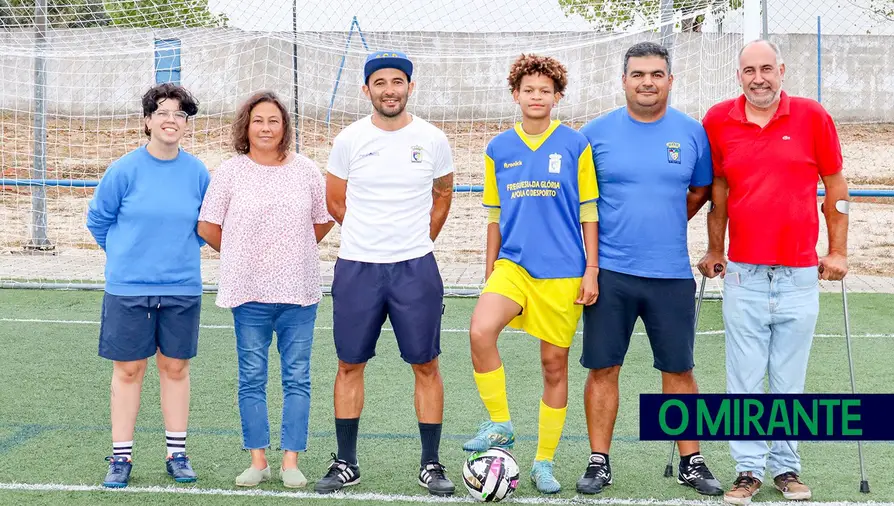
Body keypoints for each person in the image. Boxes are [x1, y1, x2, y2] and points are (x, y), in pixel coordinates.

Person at [699, 39, 849, 505]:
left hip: (800, 272)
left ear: (782, 70)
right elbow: (719, 189)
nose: (758, 78)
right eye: (749, 70)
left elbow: (835, 185)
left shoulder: (812, 116)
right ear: (739, 75)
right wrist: (713, 248)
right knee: (743, 377)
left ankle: (786, 468)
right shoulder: (718, 120)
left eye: (767, 69)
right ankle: (747, 469)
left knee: (788, 378)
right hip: (744, 272)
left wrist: (838, 251)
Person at [576, 41, 723, 496]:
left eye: (656, 74)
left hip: (671, 274)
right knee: (604, 368)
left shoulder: (693, 133)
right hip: (611, 272)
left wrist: (666, 220)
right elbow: (581, 203)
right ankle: (599, 461)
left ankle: (690, 461)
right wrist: (590, 266)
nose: (647, 82)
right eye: (638, 74)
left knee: (679, 370)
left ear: (670, 81)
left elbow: (701, 190)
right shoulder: (594, 134)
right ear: (624, 81)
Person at [314, 50, 455, 497]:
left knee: (426, 364)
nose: (389, 90)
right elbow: (335, 201)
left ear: (410, 87)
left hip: (416, 267)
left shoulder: (432, 138)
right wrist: (369, 237)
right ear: (366, 90)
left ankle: (431, 464)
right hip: (358, 266)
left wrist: (416, 239)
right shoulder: (349, 139)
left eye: (398, 82)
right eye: (380, 83)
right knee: (349, 362)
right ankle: (346, 463)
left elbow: (443, 194)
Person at [463, 53, 599, 494]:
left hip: (562, 272)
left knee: (553, 366)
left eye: (545, 90)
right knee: (480, 330)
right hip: (513, 265)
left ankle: (543, 461)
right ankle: (500, 423)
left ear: (557, 97)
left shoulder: (575, 144)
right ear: (516, 94)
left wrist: (591, 269)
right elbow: (494, 217)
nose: (536, 96)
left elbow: (588, 211)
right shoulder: (498, 148)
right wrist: (490, 271)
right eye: (528, 89)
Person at [197, 91, 335, 489]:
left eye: (273, 120)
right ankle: (258, 460)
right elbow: (208, 226)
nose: (266, 128)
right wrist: (243, 253)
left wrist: (290, 249)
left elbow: (323, 220)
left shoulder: (306, 170)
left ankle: (291, 461)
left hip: (298, 292)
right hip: (249, 293)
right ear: (246, 126)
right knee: (252, 377)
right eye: (258, 120)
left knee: (297, 377)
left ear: (285, 127)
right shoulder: (231, 172)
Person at [86, 83, 208, 488]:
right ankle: (121, 457)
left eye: (180, 114)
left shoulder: (197, 172)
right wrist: (125, 256)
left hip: (181, 287)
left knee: (175, 368)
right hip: (128, 289)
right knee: (129, 369)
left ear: (186, 125)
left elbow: (206, 227)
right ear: (147, 121)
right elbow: (98, 221)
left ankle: (177, 454)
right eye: (163, 112)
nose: (171, 120)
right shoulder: (124, 169)